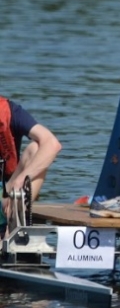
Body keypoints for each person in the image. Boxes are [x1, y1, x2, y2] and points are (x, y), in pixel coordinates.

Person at [1, 96, 62, 233]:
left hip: (6, 193)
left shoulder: (11, 111)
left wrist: (20, 180)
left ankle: (12, 231)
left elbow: (53, 144)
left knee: (35, 149)